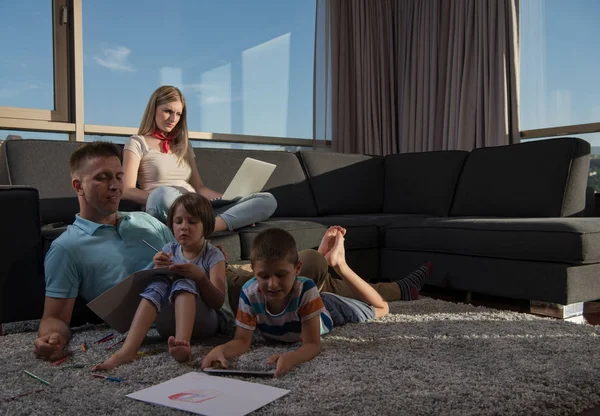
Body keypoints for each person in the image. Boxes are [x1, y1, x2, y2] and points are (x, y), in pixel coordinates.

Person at [200, 227, 431, 377]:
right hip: (301, 307)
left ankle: (340, 264)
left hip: (327, 311)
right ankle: (328, 260)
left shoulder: (306, 288)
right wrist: (221, 350)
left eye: (280, 275)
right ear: (253, 271)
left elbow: (312, 344)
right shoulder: (249, 293)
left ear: (297, 270)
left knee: (382, 308)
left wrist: (292, 357)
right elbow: (242, 341)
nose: (272, 284)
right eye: (263, 276)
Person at [93, 193, 230, 370]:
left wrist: (200, 277)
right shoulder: (169, 249)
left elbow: (218, 302)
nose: (184, 227)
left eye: (192, 222)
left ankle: (183, 345)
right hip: (168, 325)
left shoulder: (213, 255)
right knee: (158, 282)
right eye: (178, 221)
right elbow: (157, 289)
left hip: (207, 324)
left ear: (206, 225)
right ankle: (128, 349)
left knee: (184, 280)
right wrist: (158, 268)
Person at [122, 85, 277, 231]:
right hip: (165, 207)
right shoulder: (137, 142)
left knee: (267, 199)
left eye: (178, 114)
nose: (173, 119)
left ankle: (208, 228)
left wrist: (230, 200)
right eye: (168, 111)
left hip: (196, 207)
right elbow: (127, 190)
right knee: (162, 194)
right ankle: (199, 227)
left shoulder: (184, 145)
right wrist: (161, 199)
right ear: (153, 109)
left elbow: (199, 188)